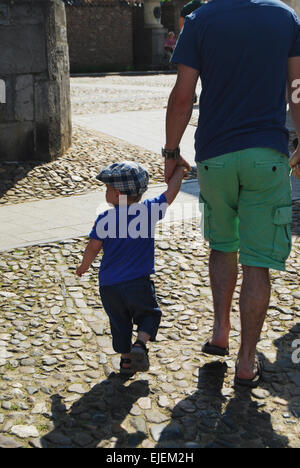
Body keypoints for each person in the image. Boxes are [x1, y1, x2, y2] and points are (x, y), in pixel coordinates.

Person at [162, 0, 300, 387]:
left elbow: (182, 96)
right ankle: (245, 360)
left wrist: (172, 152)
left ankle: (220, 331)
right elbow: (296, 89)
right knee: (257, 263)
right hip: (266, 156)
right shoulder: (285, 17)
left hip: (215, 156)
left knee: (223, 246)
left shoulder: (201, 19)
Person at [76, 161, 189, 375]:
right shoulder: (149, 211)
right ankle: (140, 344)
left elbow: (93, 247)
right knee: (149, 314)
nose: (106, 193)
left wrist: (84, 266)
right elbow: (171, 192)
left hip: (109, 286)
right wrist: (180, 171)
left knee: (119, 322)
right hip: (138, 283)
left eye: (107, 189)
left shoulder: (104, 218)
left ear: (117, 193)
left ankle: (126, 362)